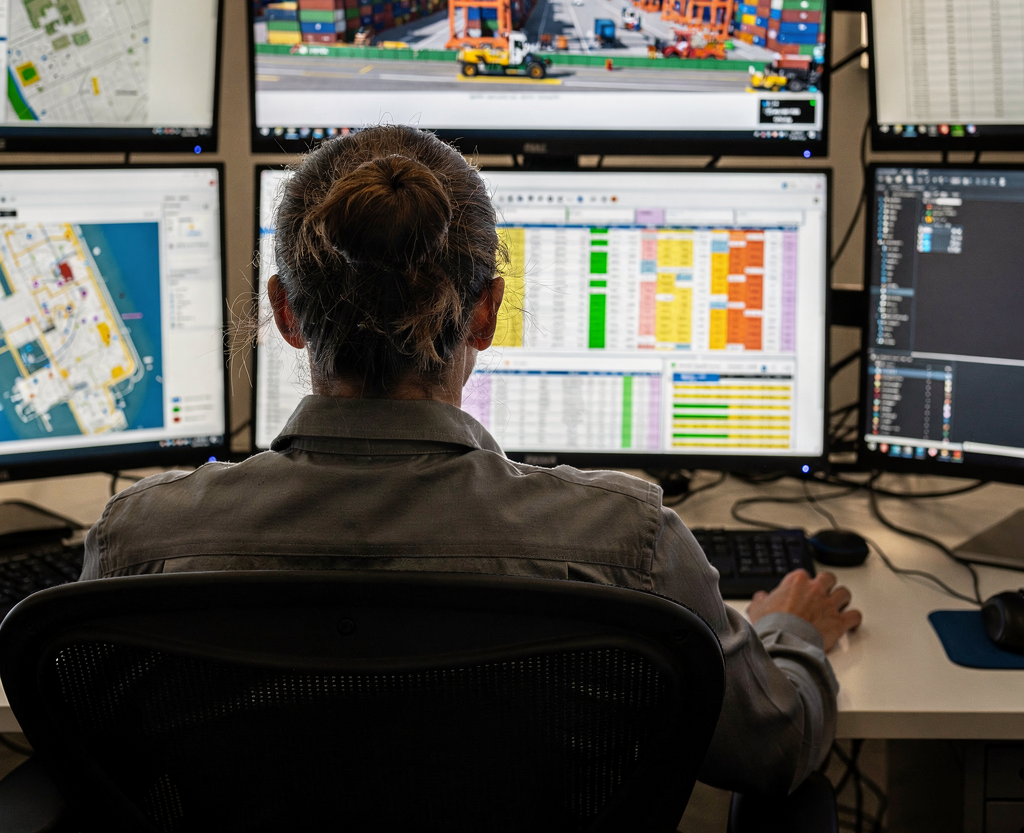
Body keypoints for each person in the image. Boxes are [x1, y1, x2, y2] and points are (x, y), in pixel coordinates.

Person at [81, 125, 861, 795]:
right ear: (486, 312)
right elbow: (772, 750)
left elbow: (88, 756)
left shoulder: (140, 544)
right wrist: (787, 632)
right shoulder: (631, 545)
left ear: (285, 313)